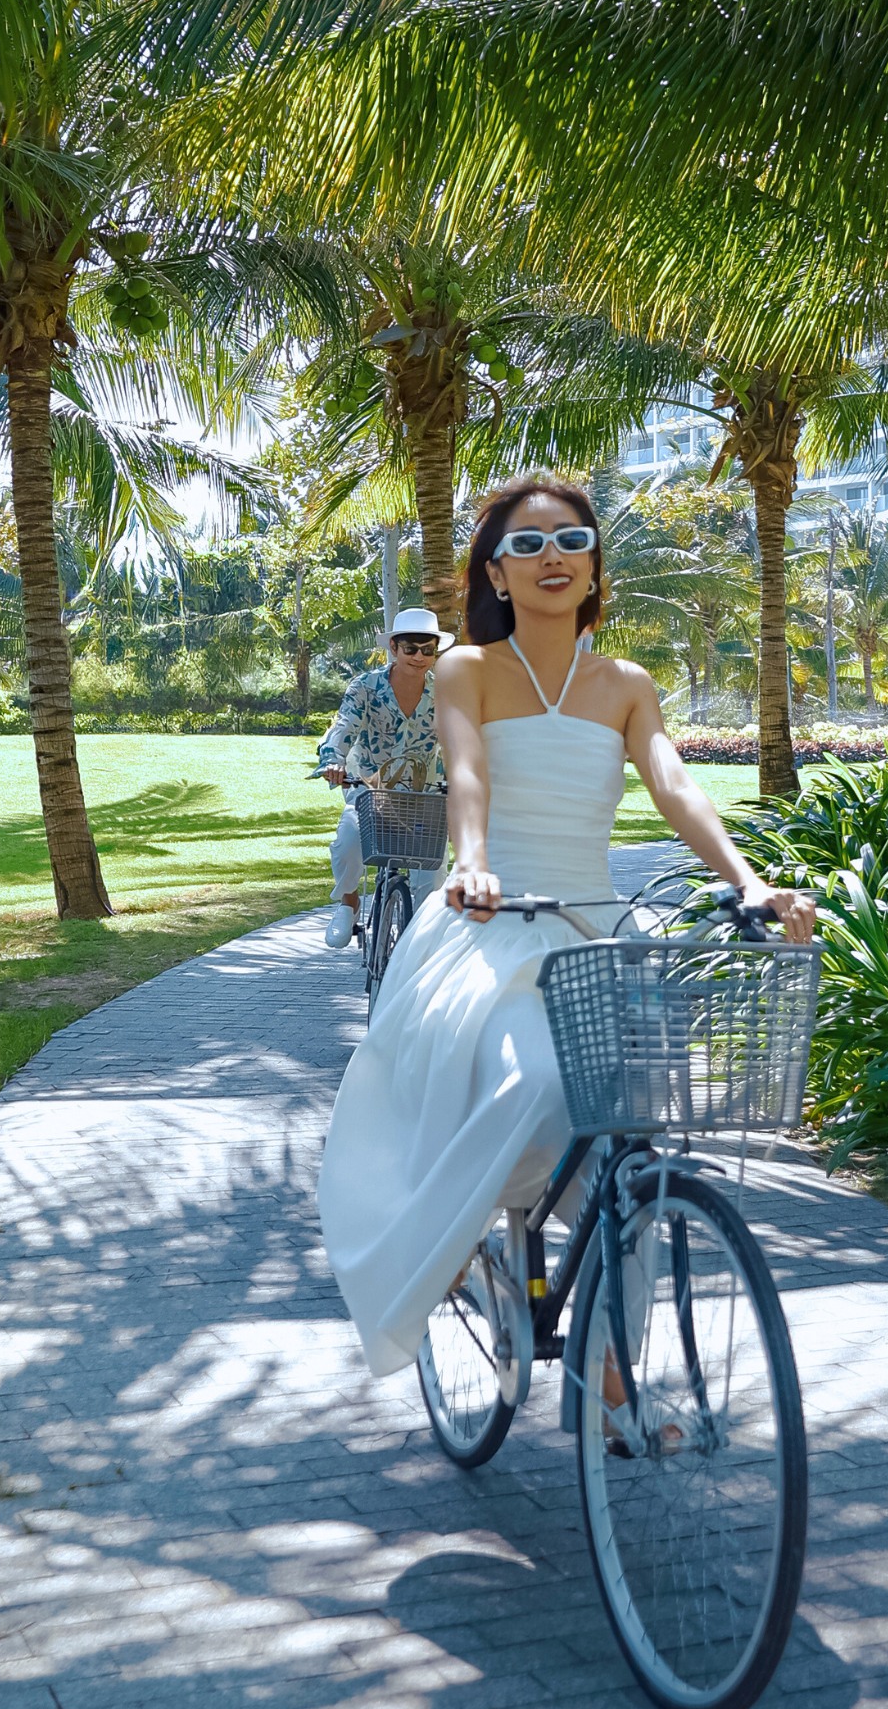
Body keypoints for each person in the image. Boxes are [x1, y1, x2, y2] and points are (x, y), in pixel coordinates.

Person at [318, 476, 816, 1377]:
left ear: (594, 571)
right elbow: (467, 771)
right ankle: (477, 1237)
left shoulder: (626, 684)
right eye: (528, 544)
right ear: (497, 576)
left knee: (627, 1146)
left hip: (594, 930)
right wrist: (470, 862)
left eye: (573, 542)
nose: (554, 556)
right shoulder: (468, 667)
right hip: (492, 922)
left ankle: (614, 1368)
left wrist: (751, 882)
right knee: (541, 1084)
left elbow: (674, 782)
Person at [315, 607, 453, 949]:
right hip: (371, 793)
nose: (419, 657)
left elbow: (459, 740)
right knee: (348, 841)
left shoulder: (447, 692)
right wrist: (334, 762)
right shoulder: (365, 687)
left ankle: (416, 944)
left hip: (424, 796)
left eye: (428, 650)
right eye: (411, 649)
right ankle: (348, 903)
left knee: (433, 874)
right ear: (394, 648)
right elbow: (342, 729)